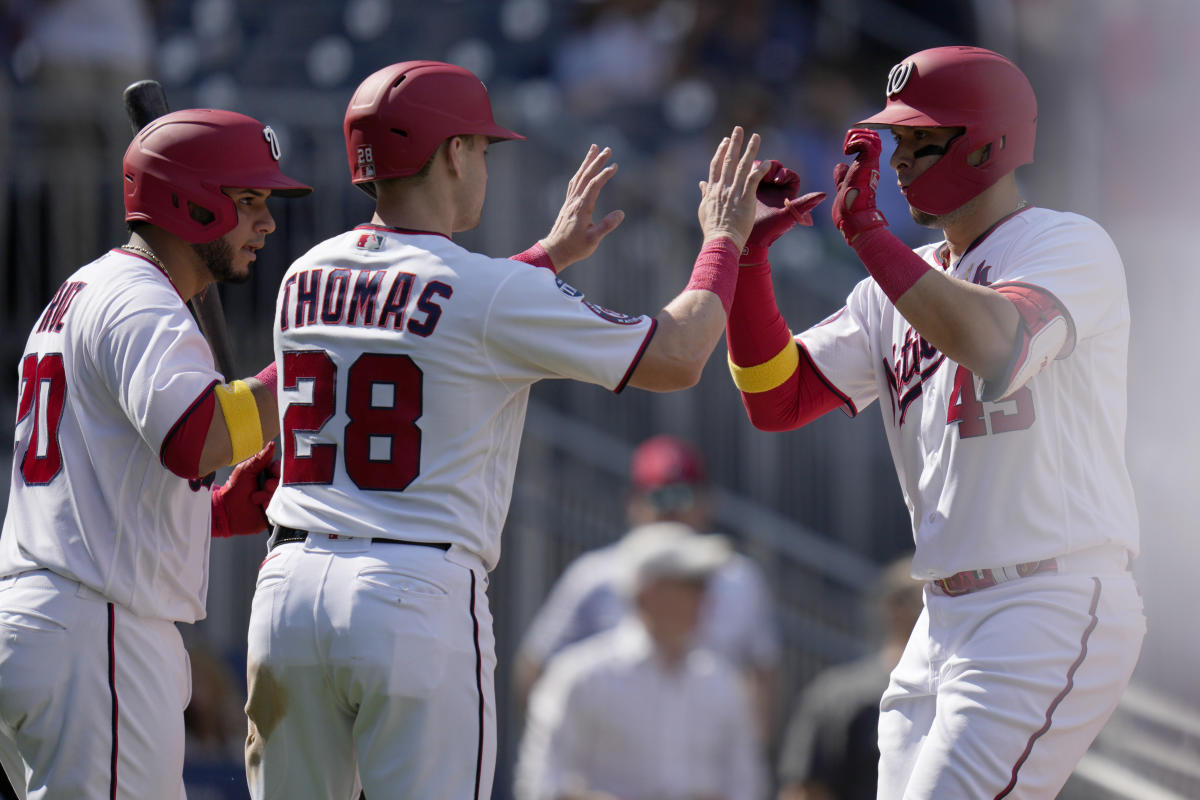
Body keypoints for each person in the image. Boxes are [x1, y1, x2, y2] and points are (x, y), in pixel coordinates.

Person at [242, 59, 816, 800]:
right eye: (480, 147)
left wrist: (544, 260)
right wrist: (725, 241)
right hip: (414, 593)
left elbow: (426, 314)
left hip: (289, 587)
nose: (482, 161)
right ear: (452, 154)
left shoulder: (303, 274)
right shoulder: (491, 290)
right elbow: (678, 355)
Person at [724, 45, 1146, 799]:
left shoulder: (1063, 242)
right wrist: (749, 265)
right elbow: (775, 398)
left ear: (990, 142)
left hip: (1045, 596)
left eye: (925, 139)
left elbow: (998, 346)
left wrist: (872, 242)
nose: (904, 159)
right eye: (900, 141)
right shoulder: (895, 286)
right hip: (942, 619)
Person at [0, 108, 310, 798]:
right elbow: (196, 437)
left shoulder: (88, 290)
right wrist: (305, 368)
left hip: (54, 621)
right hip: (95, 634)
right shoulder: (142, 300)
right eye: (249, 202)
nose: (266, 223)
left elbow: (119, 486)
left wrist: (228, 507)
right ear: (190, 203)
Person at [514, 434, 782, 741]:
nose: (670, 511)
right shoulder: (594, 574)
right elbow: (535, 664)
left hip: (703, 759)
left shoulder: (739, 577)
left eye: (682, 497)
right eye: (658, 497)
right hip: (614, 755)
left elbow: (762, 674)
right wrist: (557, 748)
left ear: (708, 502)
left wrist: (744, 761)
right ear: (632, 502)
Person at [513, 523, 767, 800]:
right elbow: (541, 784)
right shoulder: (581, 677)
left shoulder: (722, 683)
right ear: (648, 593)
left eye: (704, 585)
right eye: (691, 585)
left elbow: (746, 787)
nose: (705, 598)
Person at [776, 554, 923, 800]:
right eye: (928, 600)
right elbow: (804, 791)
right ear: (894, 608)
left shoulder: (968, 691)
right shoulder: (840, 695)